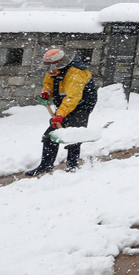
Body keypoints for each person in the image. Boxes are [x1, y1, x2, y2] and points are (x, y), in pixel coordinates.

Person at [24, 47, 98, 177]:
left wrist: (60, 115)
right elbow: (49, 83)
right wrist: (47, 93)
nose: (50, 71)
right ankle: (46, 165)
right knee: (51, 134)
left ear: (60, 64)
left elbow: (73, 97)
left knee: (73, 134)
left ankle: (72, 166)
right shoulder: (53, 71)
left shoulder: (75, 73)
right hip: (65, 103)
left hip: (82, 104)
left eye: (53, 68)